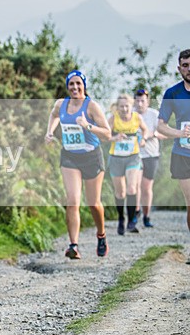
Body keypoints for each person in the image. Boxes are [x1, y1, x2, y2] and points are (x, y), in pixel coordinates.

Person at [45, 70, 112, 259]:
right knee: (73, 200)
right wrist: (50, 131)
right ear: (67, 86)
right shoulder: (61, 104)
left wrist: (87, 125)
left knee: (93, 203)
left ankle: (101, 235)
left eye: (78, 84)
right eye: (71, 84)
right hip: (70, 156)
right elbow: (54, 115)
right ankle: (73, 245)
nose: (75, 87)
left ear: (84, 86)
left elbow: (107, 134)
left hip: (92, 156)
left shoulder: (92, 107)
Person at [106, 94, 150, 235]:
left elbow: (145, 130)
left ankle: (131, 222)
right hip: (116, 157)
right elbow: (104, 135)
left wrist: (143, 139)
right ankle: (121, 218)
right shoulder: (113, 119)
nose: (124, 109)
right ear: (117, 108)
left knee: (132, 188)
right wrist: (114, 137)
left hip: (133, 156)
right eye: (121, 106)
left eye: (127, 106)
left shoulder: (137, 117)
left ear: (131, 106)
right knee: (120, 192)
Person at [157, 49, 190, 233]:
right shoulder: (172, 93)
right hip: (183, 154)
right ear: (179, 69)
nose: (189, 69)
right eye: (185, 65)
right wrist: (179, 133)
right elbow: (160, 126)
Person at [134, 88, 163, 228]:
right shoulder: (130, 114)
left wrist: (152, 134)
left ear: (147, 101)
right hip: (135, 155)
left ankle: (146, 216)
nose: (140, 104)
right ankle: (136, 211)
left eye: (142, 101)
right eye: (137, 101)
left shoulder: (154, 115)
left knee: (146, 188)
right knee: (135, 185)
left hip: (151, 155)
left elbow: (165, 133)